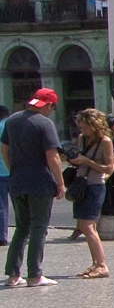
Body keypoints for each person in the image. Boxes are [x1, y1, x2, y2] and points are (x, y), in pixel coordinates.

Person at [1, 88, 64, 288]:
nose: (52, 111)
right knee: (39, 228)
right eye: (53, 107)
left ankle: (13, 275)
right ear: (48, 105)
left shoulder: (12, 120)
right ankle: (35, 275)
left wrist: (14, 170)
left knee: (21, 228)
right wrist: (60, 183)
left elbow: (4, 150)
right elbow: (52, 156)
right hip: (40, 182)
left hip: (17, 181)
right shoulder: (44, 123)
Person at [65, 109, 114, 279]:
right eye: (80, 127)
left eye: (85, 127)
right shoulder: (82, 139)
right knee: (86, 226)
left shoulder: (105, 141)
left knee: (87, 226)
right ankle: (95, 263)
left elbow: (109, 168)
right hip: (81, 185)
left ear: (95, 125)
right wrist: (74, 160)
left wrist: (87, 161)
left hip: (95, 185)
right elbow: (80, 160)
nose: (83, 130)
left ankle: (102, 265)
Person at [0, 106, 10, 246]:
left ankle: (2, 236)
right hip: (15, 170)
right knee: (22, 205)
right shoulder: (13, 126)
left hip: (1, 172)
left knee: (1, 205)